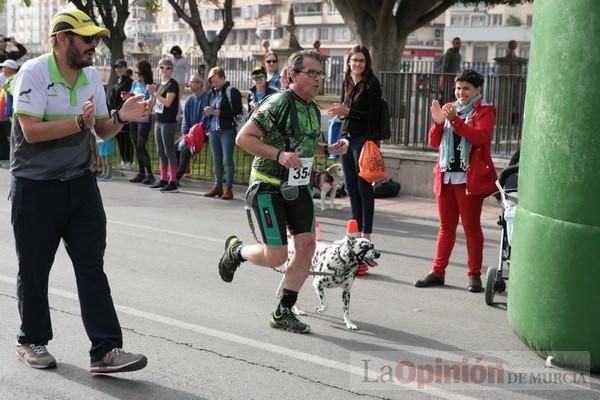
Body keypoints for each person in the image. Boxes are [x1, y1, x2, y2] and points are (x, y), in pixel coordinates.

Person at [9, 8, 149, 372]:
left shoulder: (90, 77)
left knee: (91, 266)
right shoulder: (34, 72)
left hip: (80, 185)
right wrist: (77, 122)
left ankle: (105, 351)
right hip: (36, 188)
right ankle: (31, 340)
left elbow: (100, 129)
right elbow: (31, 131)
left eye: (97, 39)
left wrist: (120, 117)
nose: (94, 46)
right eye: (87, 38)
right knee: (35, 269)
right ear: (62, 38)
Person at [217, 50, 349, 333]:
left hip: (297, 185)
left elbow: (304, 143)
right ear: (292, 76)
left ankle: (283, 310)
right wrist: (278, 155)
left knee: (306, 246)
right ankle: (237, 251)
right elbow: (243, 138)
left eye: (320, 74)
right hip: (268, 185)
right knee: (276, 255)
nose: (318, 79)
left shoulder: (313, 108)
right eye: (311, 73)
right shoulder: (277, 102)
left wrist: (328, 149)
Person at [414, 69, 497, 293]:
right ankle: (438, 272)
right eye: (458, 88)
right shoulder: (450, 108)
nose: (461, 92)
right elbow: (433, 142)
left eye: (466, 88)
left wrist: (455, 121)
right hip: (446, 175)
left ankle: (474, 275)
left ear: (477, 89)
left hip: (469, 178)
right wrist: (439, 122)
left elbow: (480, 137)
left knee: (471, 228)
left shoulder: (485, 111)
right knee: (445, 228)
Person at [327, 45, 382, 247]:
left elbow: (373, 117)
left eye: (362, 61)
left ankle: (366, 234)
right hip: (348, 138)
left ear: (366, 64)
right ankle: (355, 230)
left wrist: (349, 111)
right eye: (355, 60)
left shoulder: (371, 85)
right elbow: (345, 115)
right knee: (350, 185)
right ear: (348, 62)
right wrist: (342, 134)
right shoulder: (347, 83)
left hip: (365, 139)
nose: (358, 64)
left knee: (363, 186)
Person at [202, 66, 243, 200]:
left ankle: (229, 188)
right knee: (216, 159)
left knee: (227, 160)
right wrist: (208, 112)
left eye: (216, 81)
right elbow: (210, 110)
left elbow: (237, 110)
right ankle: (217, 186)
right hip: (214, 129)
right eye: (212, 82)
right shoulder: (211, 93)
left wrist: (221, 113)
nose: (214, 84)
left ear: (223, 78)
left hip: (227, 129)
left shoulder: (232, 91)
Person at [147, 58, 180, 192]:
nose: (164, 70)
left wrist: (155, 93)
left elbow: (167, 103)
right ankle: (163, 179)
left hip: (168, 122)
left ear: (172, 70)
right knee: (160, 151)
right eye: (162, 67)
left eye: (167, 68)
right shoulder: (160, 84)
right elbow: (154, 103)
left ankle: (173, 180)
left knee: (169, 151)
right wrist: (151, 97)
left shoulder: (173, 84)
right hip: (159, 121)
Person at [175, 74, 208, 184]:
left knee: (185, 150)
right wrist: (185, 134)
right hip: (190, 134)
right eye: (190, 82)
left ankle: (176, 178)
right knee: (175, 147)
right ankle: (176, 172)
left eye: (193, 82)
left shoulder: (207, 98)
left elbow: (206, 118)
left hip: (202, 132)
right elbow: (186, 118)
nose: (190, 84)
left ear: (199, 84)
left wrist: (197, 131)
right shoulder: (190, 100)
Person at [128, 60, 155, 185]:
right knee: (135, 144)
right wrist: (127, 98)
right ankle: (141, 172)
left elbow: (151, 100)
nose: (136, 74)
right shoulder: (135, 83)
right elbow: (132, 96)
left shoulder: (150, 85)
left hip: (144, 118)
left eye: (138, 71)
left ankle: (149, 173)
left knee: (141, 145)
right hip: (134, 117)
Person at [107, 58, 134, 171]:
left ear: (125, 68)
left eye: (121, 67)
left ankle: (129, 161)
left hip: (124, 114)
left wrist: (118, 110)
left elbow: (127, 99)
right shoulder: (116, 81)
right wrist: (111, 109)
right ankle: (123, 159)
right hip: (115, 114)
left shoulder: (129, 82)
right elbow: (111, 97)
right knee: (119, 137)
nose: (119, 69)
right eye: (117, 67)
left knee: (126, 138)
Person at [0, 59, 18, 161]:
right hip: (7, 114)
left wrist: (7, 88)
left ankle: (14, 157)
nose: (2, 70)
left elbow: (16, 92)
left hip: (11, 114)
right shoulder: (9, 79)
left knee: (12, 136)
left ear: (10, 69)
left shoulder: (14, 79)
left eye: (4, 67)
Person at [440, 37, 462, 102]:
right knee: (447, 94)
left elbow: (457, 66)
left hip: (454, 77)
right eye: (456, 43)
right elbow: (444, 65)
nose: (458, 45)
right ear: (453, 44)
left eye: (459, 43)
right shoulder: (450, 52)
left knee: (453, 94)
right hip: (448, 77)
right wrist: (443, 78)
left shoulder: (458, 54)